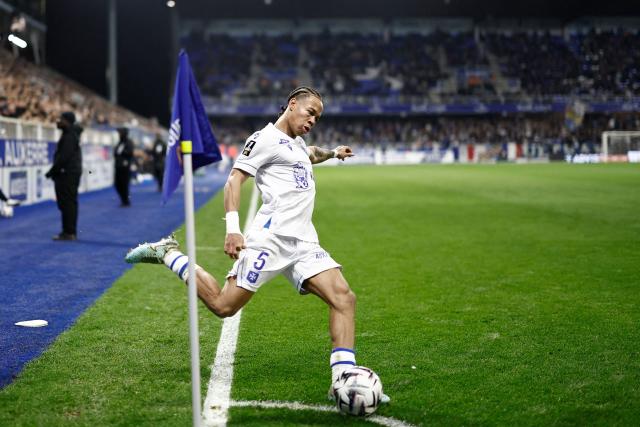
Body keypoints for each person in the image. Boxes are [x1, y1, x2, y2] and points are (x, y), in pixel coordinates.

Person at [125, 86, 390, 403]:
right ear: (292, 105)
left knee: (344, 298)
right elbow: (234, 180)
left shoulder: (297, 143)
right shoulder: (264, 139)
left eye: (317, 117)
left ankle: (343, 381)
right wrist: (233, 230)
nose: (313, 121)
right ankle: (169, 253)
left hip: (304, 240)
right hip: (270, 241)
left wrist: (333, 153)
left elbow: (311, 153)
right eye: (310, 113)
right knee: (224, 306)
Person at [45, 111, 82, 241]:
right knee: (67, 203)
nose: (58, 121)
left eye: (60, 119)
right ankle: (68, 231)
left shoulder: (70, 136)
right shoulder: (70, 134)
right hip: (68, 173)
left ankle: (69, 232)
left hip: (68, 174)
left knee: (68, 203)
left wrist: (52, 171)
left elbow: (64, 157)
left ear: (67, 121)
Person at [114, 127, 134, 206]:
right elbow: (116, 153)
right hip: (118, 166)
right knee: (117, 184)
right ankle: (123, 199)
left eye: (120, 133)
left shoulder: (129, 142)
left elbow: (130, 153)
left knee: (124, 184)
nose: (119, 134)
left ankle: (125, 200)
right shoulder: (119, 143)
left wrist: (121, 154)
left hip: (125, 167)